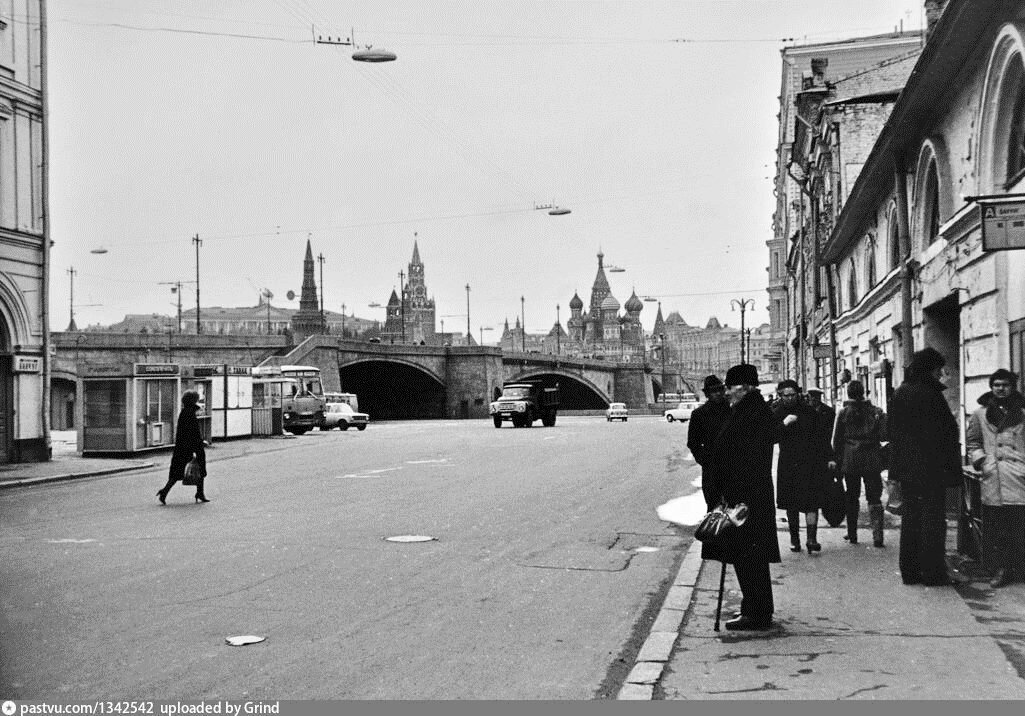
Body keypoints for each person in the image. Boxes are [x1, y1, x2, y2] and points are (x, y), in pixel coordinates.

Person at [702, 363, 784, 631]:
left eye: (730, 387)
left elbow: (741, 457)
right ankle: (755, 609)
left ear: (745, 387)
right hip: (747, 495)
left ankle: (757, 613)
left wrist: (726, 489)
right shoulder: (749, 410)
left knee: (748, 556)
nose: (726, 392)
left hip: (745, 497)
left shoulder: (751, 413)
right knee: (748, 555)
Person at [888, 347, 962, 586]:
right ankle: (933, 573)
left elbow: (894, 434)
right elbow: (944, 435)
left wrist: (896, 471)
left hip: (908, 471)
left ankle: (909, 572)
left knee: (911, 519)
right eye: (938, 369)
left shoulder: (901, 393)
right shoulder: (931, 395)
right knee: (932, 521)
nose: (941, 374)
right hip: (932, 470)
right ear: (930, 369)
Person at [966, 368, 1025, 587]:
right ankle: (999, 569)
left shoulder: (1022, 412)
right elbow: (973, 442)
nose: (1001, 389)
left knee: (1018, 526)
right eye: (997, 385)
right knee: (997, 528)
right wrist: (982, 461)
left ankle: (1017, 569)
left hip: (1018, 477)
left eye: (1005, 385)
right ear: (991, 387)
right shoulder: (980, 414)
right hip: (994, 477)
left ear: (1012, 387)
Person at [831, 380, 887, 547]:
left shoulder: (843, 413)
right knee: (874, 497)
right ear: (864, 392)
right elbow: (885, 435)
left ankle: (852, 533)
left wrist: (837, 459)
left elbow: (837, 440)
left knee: (852, 496)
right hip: (871, 458)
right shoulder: (876, 412)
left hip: (850, 460)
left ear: (848, 394)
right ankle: (878, 536)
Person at [773, 379, 822, 553]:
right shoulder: (777, 413)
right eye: (786, 395)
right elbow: (771, 437)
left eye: (793, 395)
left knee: (811, 502)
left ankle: (811, 539)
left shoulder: (809, 411)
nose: (790, 398)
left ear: (798, 394)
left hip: (809, 462)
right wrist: (785, 423)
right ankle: (795, 539)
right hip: (788, 463)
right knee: (791, 504)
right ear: (780, 396)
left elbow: (820, 437)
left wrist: (825, 459)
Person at [687, 375, 731, 511]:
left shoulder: (733, 410)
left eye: (720, 390)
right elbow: (693, 443)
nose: (718, 393)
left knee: (734, 509)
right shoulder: (699, 415)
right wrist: (705, 460)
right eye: (713, 391)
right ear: (707, 394)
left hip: (733, 466)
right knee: (714, 508)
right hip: (711, 469)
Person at [157, 390, 209, 505]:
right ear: (193, 400)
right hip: (191, 446)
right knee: (200, 468)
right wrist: (199, 444)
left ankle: (164, 492)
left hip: (181, 447)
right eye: (196, 398)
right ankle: (199, 492)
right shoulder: (189, 413)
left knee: (177, 472)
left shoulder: (185, 412)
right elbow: (193, 432)